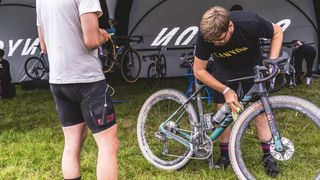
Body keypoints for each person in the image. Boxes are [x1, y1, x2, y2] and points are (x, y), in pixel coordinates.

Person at [193, 6, 283, 177]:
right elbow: (199, 70)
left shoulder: (250, 22)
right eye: (213, 42)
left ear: (230, 27)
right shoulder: (206, 35)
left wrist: (272, 61)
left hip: (252, 66)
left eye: (220, 40)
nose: (216, 44)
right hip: (224, 69)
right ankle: (225, 155)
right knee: (224, 109)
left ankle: (268, 157)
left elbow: (277, 32)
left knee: (259, 111)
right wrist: (225, 90)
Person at [36, 1, 119, 180]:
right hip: (86, 79)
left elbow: (43, 46)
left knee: (72, 145)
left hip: (59, 80)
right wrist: (102, 35)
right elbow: (91, 41)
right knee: (108, 145)